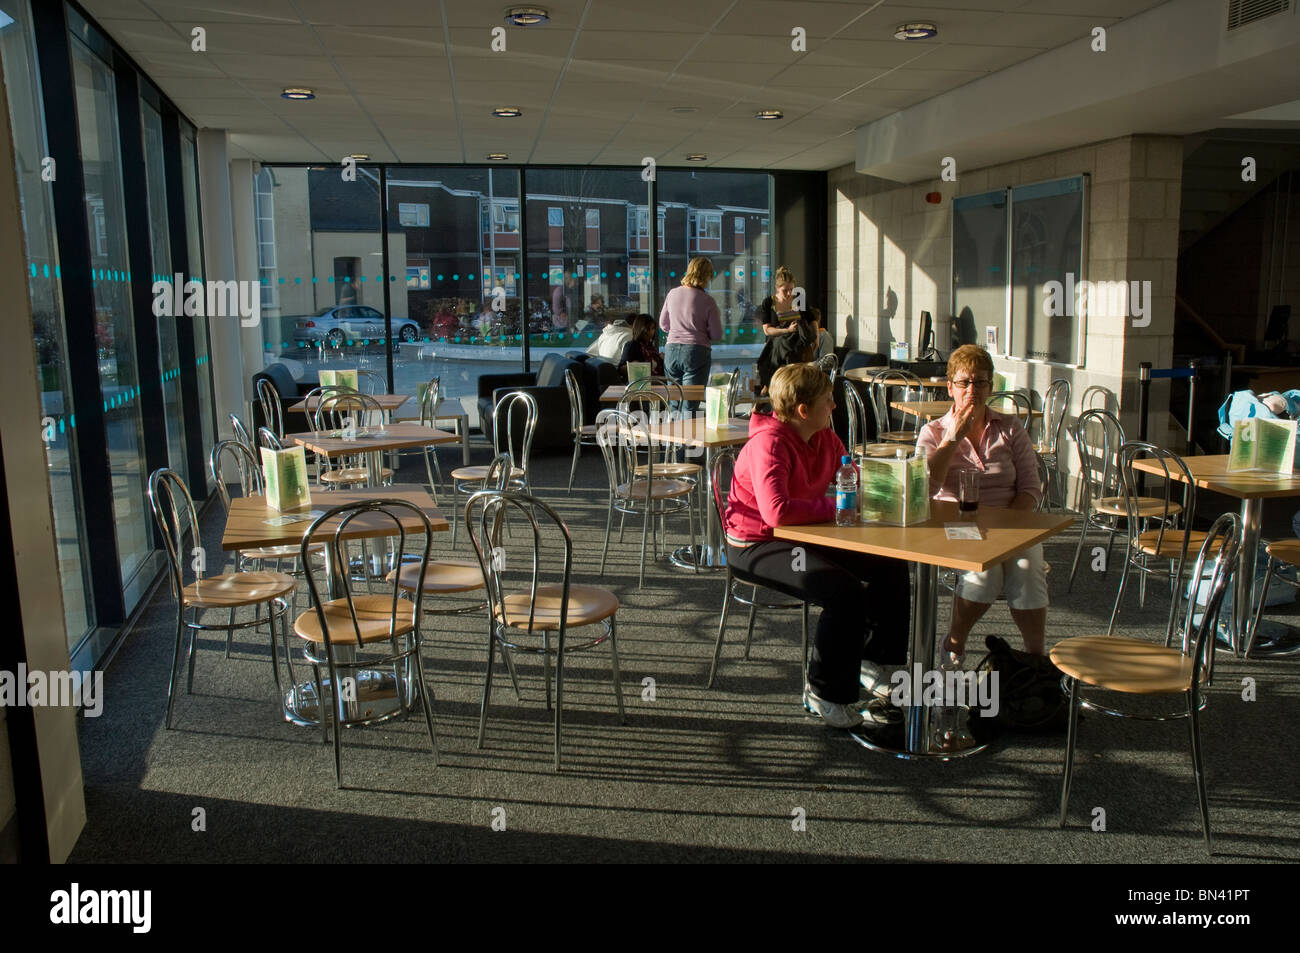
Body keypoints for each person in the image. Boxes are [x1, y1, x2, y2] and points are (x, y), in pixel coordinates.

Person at [722, 363, 910, 729]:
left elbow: (851, 476)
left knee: (890, 564)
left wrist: (884, 491)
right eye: (829, 401)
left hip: (802, 534)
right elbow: (776, 513)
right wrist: (839, 507)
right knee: (844, 592)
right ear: (803, 410)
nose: (834, 407)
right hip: (755, 543)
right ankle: (824, 692)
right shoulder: (769, 444)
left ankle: (874, 661)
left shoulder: (824, 436)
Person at [915, 344, 1046, 664]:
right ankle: (955, 643)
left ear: (990, 387)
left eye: (981, 382)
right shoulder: (932, 432)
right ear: (950, 387)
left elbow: (1031, 488)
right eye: (964, 383)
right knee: (985, 575)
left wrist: (1007, 528)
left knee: (1028, 569)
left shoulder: (1010, 428)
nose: (973, 390)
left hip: (1009, 522)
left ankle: (1036, 661)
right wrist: (953, 438)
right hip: (955, 525)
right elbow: (923, 490)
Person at [660, 257, 721, 412]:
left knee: (674, 403)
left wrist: (678, 328)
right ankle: (687, 435)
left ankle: (672, 435)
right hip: (696, 351)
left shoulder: (672, 294)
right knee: (689, 406)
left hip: (671, 350)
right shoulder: (708, 301)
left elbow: (663, 324)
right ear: (706, 276)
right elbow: (716, 334)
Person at [756, 266, 817, 391]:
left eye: (792, 289)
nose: (789, 293)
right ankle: (761, 405)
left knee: (793, 382)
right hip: (777, 348)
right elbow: (767, 330)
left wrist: (816, 338)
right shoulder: (768, 303)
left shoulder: (799, 298)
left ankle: (772, 404)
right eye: (785, 290)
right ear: (777, 288)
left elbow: (812, 320)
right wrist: (787, 330)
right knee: (773, 380)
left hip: (797, 349)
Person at [616, 314, 665, 380]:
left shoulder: (650, 346)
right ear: (641, 329)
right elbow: (621, 369)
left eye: (653, 328)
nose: (651, 332)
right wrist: (635, 366)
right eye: (648, 329)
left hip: (658, 380)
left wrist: (661, 359)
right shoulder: (632, 345)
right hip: (641, 383)